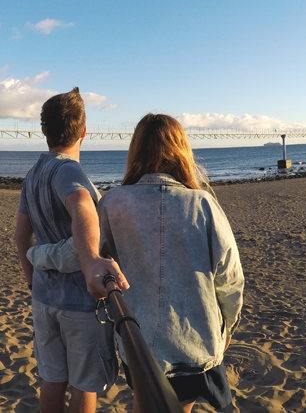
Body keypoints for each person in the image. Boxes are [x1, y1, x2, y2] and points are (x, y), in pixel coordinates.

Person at [99, 113, 244, 412]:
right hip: (193, 343)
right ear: (181, 150)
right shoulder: (203, 204)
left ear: (135, 151)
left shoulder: (113, 203)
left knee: (144, 402)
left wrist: (38, 253)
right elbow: (230, 279)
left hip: (138, 342)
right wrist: (228, 326)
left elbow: (92, 261)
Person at [14, 87, 128, 413]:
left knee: (53, 381)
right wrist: (91, 259)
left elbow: (22, 237)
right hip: (79, 302)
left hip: (44, 299)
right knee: (84, 385)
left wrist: (32, 282)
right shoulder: (68, 169)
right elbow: (81, 203)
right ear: (83, 132)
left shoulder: (33, 174)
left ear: (44, 130)